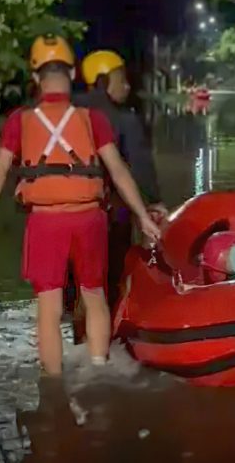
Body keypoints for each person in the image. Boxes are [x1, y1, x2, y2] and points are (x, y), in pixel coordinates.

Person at [0, 35, 161, 376]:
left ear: (34, 77)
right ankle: (100, 370)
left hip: (45, 222)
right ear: (73, 73)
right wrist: (143, 216)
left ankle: (54, 384)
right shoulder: (93, 119)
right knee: (95, 296)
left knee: (49, 305)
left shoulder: (19, 121)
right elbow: (118, 170)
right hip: (89, 219)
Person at [75, 50, 167, 310]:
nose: (127, 86)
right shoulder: (125, 119)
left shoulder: (66, 113)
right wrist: (154, 203)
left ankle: (74, 331)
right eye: (121, 80)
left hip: (64, 212)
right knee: (112, 276)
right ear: (103, 81)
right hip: (110, 212)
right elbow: (141, 167)